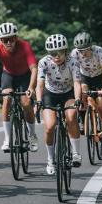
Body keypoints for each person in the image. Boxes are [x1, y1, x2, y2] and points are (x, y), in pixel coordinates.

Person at [0, 22, 39, 153]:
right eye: (5, 40)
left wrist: (32, 87)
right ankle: (7, 139)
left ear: (16, 38)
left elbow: (34, 69)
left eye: (12, 39)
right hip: (8, 75)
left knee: (26, 103)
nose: (9, 42)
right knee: (7, 99)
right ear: (0, 40)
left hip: (24, 75)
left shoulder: (25, 46)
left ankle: (32, 136)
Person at [35, 34, 83, 175]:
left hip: (68, 93)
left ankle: (76, 153)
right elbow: (40, 84)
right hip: (50, 94)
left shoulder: (73, 61)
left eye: (60, 52)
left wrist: (78, 98)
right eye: (52, 53)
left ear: (66, 51)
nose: (56, 56)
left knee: (71, 116)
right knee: (50, 127)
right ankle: (50, 159)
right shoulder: (44, 62)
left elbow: (77, 82)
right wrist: (38, 101)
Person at [71, 32, 102, 145]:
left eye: (85, 50)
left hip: (98, 77)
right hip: (84, 77)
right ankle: (83, 122)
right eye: (80, 51)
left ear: (91, 47)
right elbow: (73, 72)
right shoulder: (74, 53)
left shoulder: (98, 50)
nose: (82, 53)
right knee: (82, 93)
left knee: (101, 106)